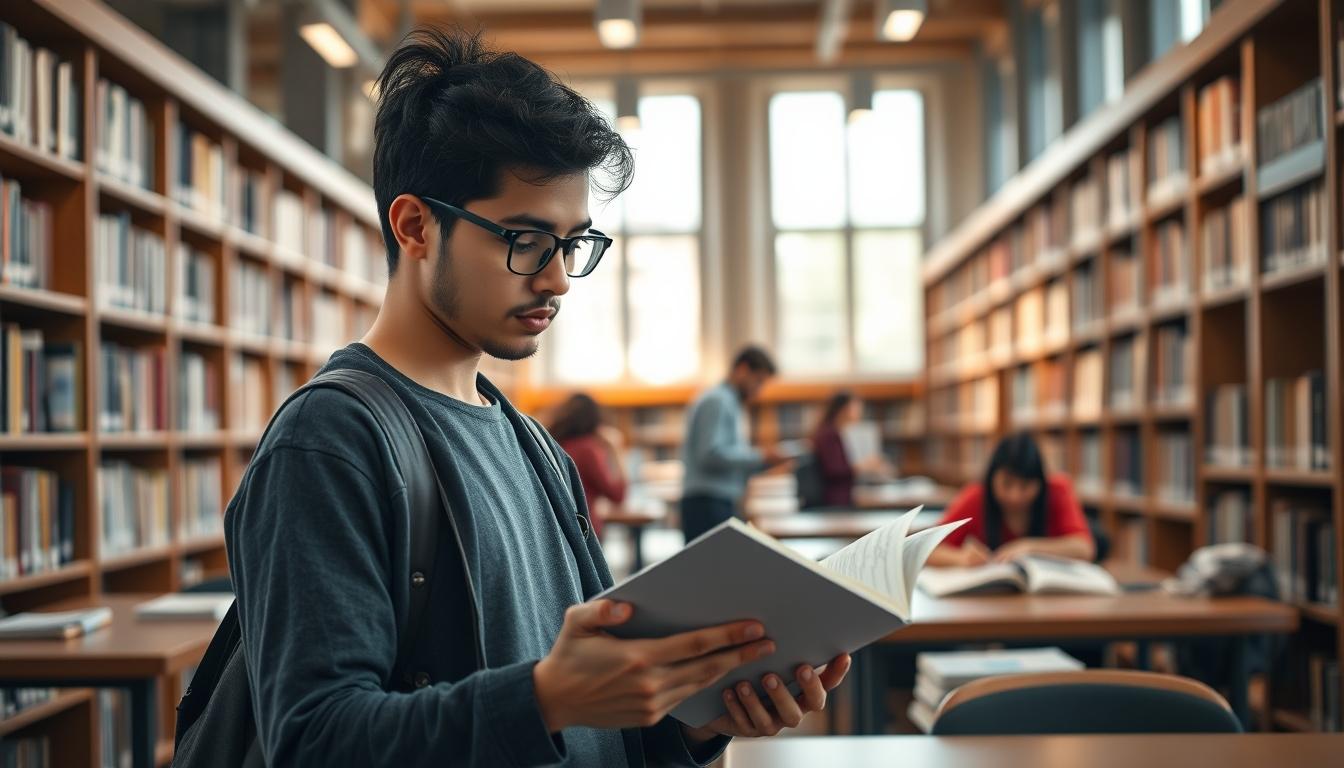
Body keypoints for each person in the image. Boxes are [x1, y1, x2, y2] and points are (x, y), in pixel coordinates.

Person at [226, 29, 847, 768]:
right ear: (416, 225)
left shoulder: (535, 447)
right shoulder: (331, 442)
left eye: (573, 243)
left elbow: (605, 733)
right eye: (525, 239)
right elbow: (315, 743)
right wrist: (547, 697)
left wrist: (700, 717)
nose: (556, 280)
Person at [927, 432, 1095, 568]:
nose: (1015, 496)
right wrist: (961, 558)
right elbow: (927, 550)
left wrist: (1030, 547)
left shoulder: (1057, 491)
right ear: (991, 478)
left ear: (1041, 482)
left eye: (1026, 486)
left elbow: (1084, 548)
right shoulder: (976, 497)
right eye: (1007, 484)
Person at [680, 346, 789, 543]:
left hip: (716, 501)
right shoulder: (718, 401)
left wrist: (764, 463)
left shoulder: (730, 402)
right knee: (710, 571)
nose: (758, 391)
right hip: (708, 504)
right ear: (742, 369)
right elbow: (710, 454)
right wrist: (760, 456)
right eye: (758, 381)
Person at [551, 393, 627, 538]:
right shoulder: (587, 450)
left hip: (558, 530)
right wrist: (615, 450)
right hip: (584, 532)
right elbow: (618, 495)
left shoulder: (554, 444)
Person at [810, 390, 893, 507]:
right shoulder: (828, 434)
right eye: (856, 407)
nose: (860, 412)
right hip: (836, 500)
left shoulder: (838, 432)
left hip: (845, 495)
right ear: (844, 409)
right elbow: (835, 470)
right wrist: (864, 466)